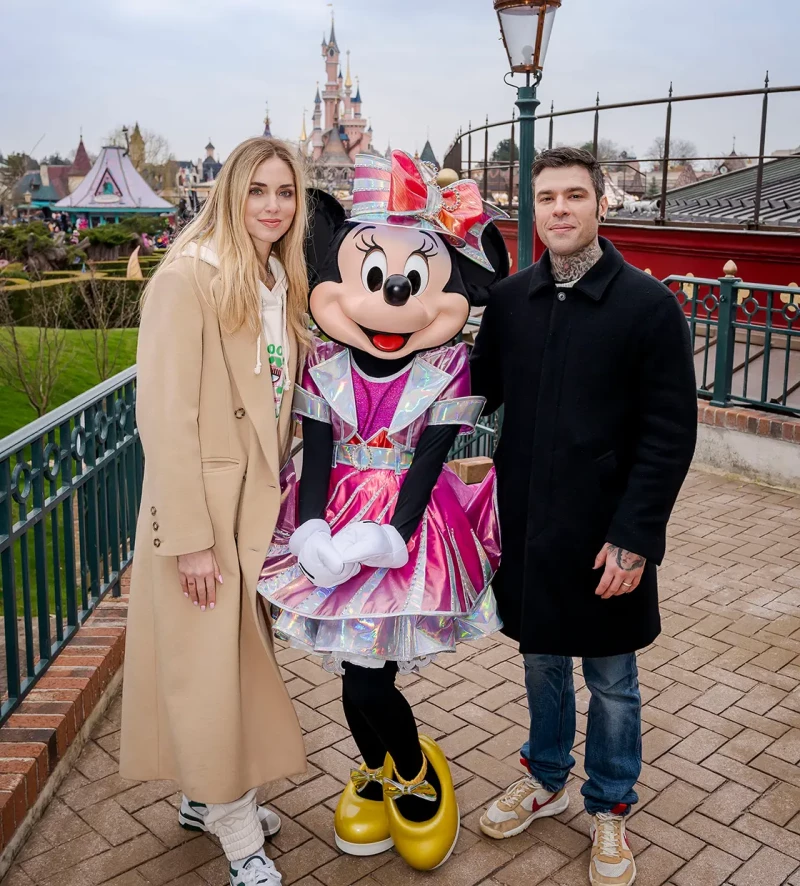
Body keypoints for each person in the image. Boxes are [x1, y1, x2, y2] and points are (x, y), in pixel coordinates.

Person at [258, 151, 508, 871]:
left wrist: (389, 536)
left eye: (412, 279)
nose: (393, 296)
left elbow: (431, 460)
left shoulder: (447, 367)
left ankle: (412, 772)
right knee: (352, 669)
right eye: (374, 276)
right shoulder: (322, 363)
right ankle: (374, 766)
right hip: (335, 519)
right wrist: (309, 527)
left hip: (410, 526)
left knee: (371, 673)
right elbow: (319, 448)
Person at [471, 147, 697, 886]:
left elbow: (669, 434)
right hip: (532, 526)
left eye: (575, 195)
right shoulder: (511, 302)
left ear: (601, 204)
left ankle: (609, 802)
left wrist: (635, 539)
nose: (561, 209)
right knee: (540, 662)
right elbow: (477, 392)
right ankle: (545, 779)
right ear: (533, 210)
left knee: (611, 677)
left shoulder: (646, 305)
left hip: (607, 534)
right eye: (547, 198)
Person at [120, 136, 311, 886]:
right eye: (258, 189)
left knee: (233, 665)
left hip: (255, 514)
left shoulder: (272, 277)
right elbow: (164, 417)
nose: (272, 205)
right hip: (209, 516)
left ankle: (207, 801)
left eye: (285, 192)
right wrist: (192, 542)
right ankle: (239, 844)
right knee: (213, 677)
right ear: (231, 193)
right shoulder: (186, 277)